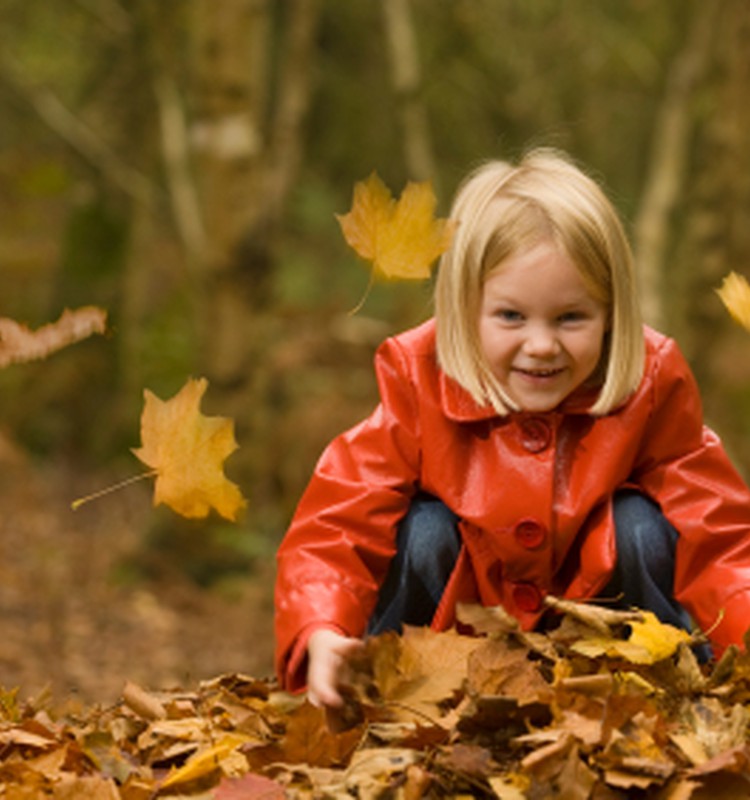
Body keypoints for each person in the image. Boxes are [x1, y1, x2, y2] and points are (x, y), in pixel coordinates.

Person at [274, 148, 750, 708]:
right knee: (422, 530)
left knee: (641, 525)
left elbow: (718, 530)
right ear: (465, 309)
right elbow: (339, 520)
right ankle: (386, 693)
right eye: (511, 316)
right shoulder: (418, 375)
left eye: (571, 317)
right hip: (450, 649)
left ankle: (664, 695)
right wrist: (322, 629)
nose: (542, 344)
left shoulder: (648, 382)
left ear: (611, 314)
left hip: (601, 656)